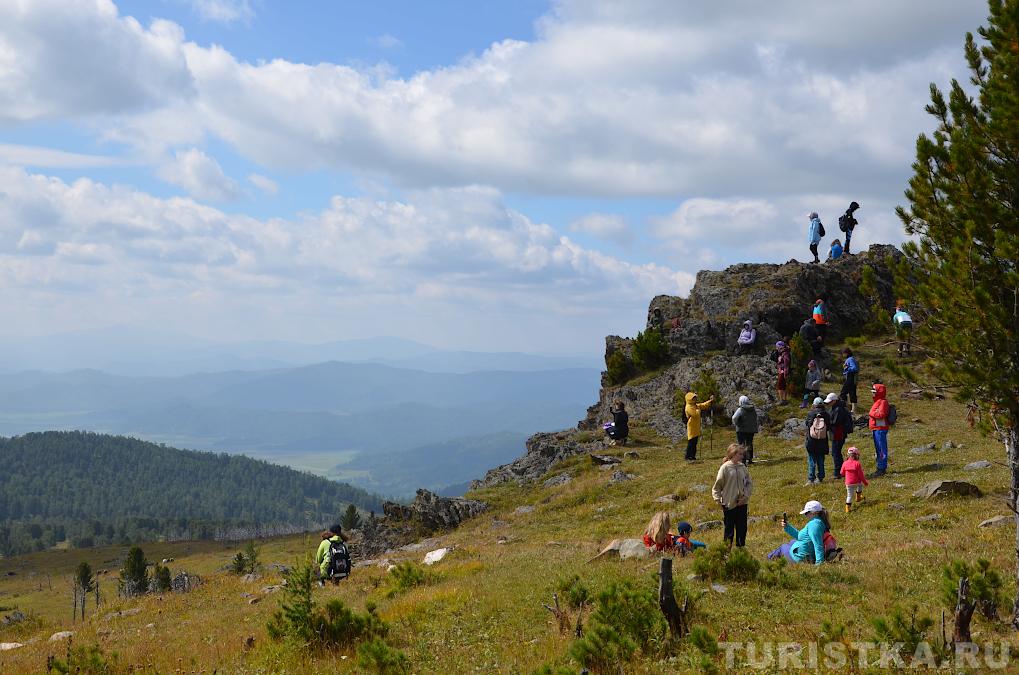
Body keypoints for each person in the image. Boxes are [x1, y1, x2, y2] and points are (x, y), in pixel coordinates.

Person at [711, 443, 753, 549]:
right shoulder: (725, 468)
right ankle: (727, 550)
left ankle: (741, 549)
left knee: (742, 528)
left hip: (742, 503)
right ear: (733, 454)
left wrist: (746, 496)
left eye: (742, 454)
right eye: (739, 454)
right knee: (729, 529)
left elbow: (748, 483)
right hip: (729, 504)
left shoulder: (742, 467)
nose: (742, 456)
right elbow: (717, 486)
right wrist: (718, 500)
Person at [768, 501, 832, 565]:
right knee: (792, 541)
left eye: (806, 513)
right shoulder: (819, 522)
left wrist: (819, 563)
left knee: (782, 547)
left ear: (814, 512)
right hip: (807, 554)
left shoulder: (814, 525)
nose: (805, 515)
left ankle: (768, 560)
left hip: (800, 558)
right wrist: (787, 526)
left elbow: (818, 545)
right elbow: (799, 536)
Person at [804, 397, 830, 484]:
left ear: (814, 405)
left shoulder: (810, 413)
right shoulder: (826, 414)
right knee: (821, 460)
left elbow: (807, 424)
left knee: (811, 461)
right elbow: (829, 426)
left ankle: (811, 479)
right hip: (822, 441)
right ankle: (820, 477)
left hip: (811, 441)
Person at [827, 393, 853, 476]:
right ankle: (842, 470)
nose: (828, 403)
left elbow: (835, 422)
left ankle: (838, 472)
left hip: (838, 433)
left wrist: (827, 423)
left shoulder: (838, 409)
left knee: (835, 452)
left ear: (834, 400)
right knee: (836, 452)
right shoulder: (836, 407)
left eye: (830, 401)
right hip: (837, 433)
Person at [683, 391, 715, 460]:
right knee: (691, 442)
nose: (695, 399)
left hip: (696, 427)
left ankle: (692, 456)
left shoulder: (695, 405)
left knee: (694, 442)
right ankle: (688, 456)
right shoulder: (688, 407)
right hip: (692, 427)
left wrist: (710, 401)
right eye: (693, 398)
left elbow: (703, 405)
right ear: (690, 399)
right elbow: (695, 414)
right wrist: (698, 410)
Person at [868, 383, 891, 477]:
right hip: (876, 428)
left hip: (880, 428)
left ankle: (882, 468)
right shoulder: (878, 401)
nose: (872, 394)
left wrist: (871, 413)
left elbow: (881, 414)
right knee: (878, 449)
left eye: (874, 392)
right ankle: (880, 466)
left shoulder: (883, 402)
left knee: (881, 449)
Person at [731, 395, 760, 465]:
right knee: (749, 444)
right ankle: (749, 459)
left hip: (741, 429)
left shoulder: (741, 409)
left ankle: (743, 460)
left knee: (741, 445)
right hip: (751, 429)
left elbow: (734, 418)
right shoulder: (753, 409)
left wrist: (736, 424)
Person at [840, 447, 869, 513]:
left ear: (848, 455)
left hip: (848, 482)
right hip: (857, 481)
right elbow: (861, 475)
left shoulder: (845, 463)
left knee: (849, 495)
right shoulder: (857, 463)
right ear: (856, 455)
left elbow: (841, 473)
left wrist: (846, 473)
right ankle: (858, 497)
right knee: (860, 486)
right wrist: (865, 482)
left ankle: (847, 508)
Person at [840, 348, 859, 413]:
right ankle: (853, 410)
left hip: (850, 378)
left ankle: (846, 408)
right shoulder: (852, 358)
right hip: (853, 379)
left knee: (843, 393)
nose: (842, 355)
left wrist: (847, 368)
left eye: (843, 353)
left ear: (846, 353)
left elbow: (854, 368)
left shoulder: (850, 359)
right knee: (852, 393)